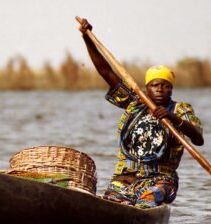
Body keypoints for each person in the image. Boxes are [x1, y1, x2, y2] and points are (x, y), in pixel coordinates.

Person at [78, 19, 204, 208]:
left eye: (166, 86)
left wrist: (171, 117)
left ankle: (145, 215)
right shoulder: (134, 103)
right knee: (109, 204)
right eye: (155, 85)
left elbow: (198, 139)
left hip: (160, 180)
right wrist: (87, 38)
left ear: (171, 89)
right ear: (147, 88)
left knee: (147, 201)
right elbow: (105, 71)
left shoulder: (180, 110)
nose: (160, 89)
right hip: (125, 178)